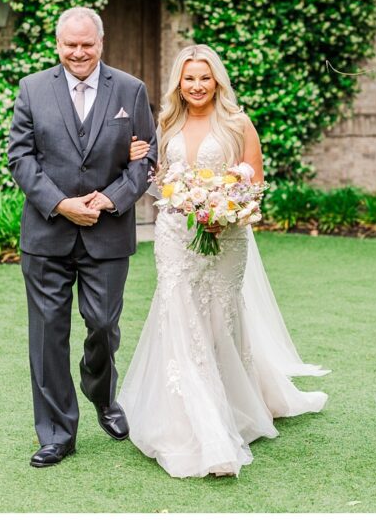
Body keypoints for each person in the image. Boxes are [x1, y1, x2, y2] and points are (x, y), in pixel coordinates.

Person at [117, 44, 328, 478]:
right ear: (179, 82)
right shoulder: (166, 122)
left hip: (226, 237)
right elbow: (156, 177)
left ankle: (235, 403)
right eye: (189, 78)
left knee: (220, 319)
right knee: (179, 317)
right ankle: (198, 427)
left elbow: (254, 182)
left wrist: (223, 213)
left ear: (217, 82)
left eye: (204, 78)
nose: (196, 86)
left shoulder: (237, 123)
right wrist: (142, 163)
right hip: (175, 235)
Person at [7, 6, 157, 468]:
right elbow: (21, 157)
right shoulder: (32, 89)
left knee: (103, 326)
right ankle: (56, 432)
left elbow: (145, 162)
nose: (78, 52)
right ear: (58, 45)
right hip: (47, 234)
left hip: (107, 236)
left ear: (100, 44)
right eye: (70, 45)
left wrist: (110, 200)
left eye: (86, 44)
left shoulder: (130, 91)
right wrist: (60, 203)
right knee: (48, 333)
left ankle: (103, 397)